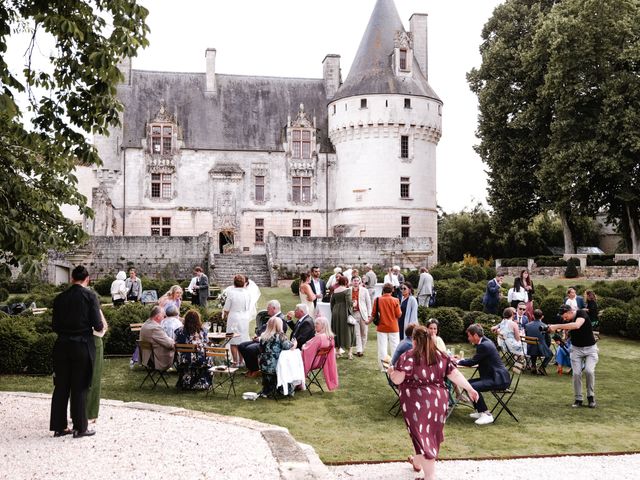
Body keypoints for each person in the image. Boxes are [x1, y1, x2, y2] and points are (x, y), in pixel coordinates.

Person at [388, 325, 479, 479]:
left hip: (416, 402)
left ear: (414, 340)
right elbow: (455, 374)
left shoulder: (408, 356)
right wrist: (470, 389)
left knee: (422, 436)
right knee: (425, 435)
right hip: (438, 401)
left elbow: (398, 379)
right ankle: (417, 463)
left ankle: (430, 476)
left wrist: (391, 373)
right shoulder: (440, 356)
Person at [50, 265, 104, 438]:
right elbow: (98, 325)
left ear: (72, 278)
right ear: (87, 279)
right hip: (81, 344)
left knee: (61, 386)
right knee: (80, 386)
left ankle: (59, 427)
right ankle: (80, 427)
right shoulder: (90, 296)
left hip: (62, 344)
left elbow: (55, 326)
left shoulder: (60, 298)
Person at [457, 324, 511, 425]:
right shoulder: (486, 342)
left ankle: (486, 414)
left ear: (476, 335)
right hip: (494, 376)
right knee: (467, 383)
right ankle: (480, 410)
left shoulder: (484, 345)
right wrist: (462, 360)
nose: (468, 339)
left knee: (472, 386)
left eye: (469, 336)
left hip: (499, 379)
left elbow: (473, 362)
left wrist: (457, 362)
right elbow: (477, 359)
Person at [547, 304, 598, 408]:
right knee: (576, 374)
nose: (563, 318)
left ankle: (591, 397)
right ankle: (578, 399)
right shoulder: (565, 320)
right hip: (576, 349)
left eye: (564, 315)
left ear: (570, 311)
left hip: (590, 349)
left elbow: (576, 325)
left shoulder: (581, 313)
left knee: (589, 371)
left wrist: (557, 326)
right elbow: (564, 333)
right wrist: (554, 334)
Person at [239, 300, 287, 377]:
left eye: (268, 308)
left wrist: (261, 338)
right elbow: (265, 329)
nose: (267, 311)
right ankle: (250, 369)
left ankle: (255, 370)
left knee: (250, 349)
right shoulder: (272, 317)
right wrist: (258, 336)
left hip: (270, 343)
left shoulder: (281, 319)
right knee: (241, 346)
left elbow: (277, 334)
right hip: (262, 339)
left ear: (274, 308)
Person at [174, 310, 211, 390]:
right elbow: (206, 343)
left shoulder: (179, 331)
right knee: (208, 357)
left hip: (182, 359)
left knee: (192, 359)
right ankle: (202, 383)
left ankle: (185, 383)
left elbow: (175, 342)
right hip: (198, 360)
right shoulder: (202, 331)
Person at [259, 316, 294, 398]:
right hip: (275, 366)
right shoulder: (280, 336)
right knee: (288, 365)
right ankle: (284, 389)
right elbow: (288, 347)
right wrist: (295, 343)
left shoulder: (263, 336)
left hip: (263, 365)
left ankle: (268, 390)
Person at [301, 315, 339, 391]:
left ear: (323, 326)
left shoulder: (320, 337)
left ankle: (295, 383)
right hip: (320, 363)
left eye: (317, 323)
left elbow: (307, 350)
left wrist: (303, 346)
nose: (315, 325)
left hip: (312, 362)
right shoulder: (330, 337)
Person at [371, 283, 402, 371]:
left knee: (382, 348)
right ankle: (395, 366)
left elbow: (373, 314)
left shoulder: (377, 300)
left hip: (382, 327)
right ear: (392, 290)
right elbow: (399, 314)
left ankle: (385, 368)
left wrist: (368, 321)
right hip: (394, 327)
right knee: (395, 347)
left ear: (383, 290)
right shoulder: (395, 300)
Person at [222, 274, 251, 367]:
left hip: (234, 317)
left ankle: (235, 362)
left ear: (234, 283)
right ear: (243, 283)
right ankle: (241, 361)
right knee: (242, 339)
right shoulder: (247, 293)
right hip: (244, 317)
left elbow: (226, 308)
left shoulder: (231, 293)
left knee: (233, 340)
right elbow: (248, 306)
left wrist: (225, 314)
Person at [86, 311, 108, 425]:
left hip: (74, 342)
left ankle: (76, 412)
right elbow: (102, 327)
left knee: (77, 378)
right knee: (94, 378)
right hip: (93, 341)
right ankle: (90, 414)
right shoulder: (91, 303)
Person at [139, 306, 175, 371]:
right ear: (158, 316)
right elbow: (169, 344)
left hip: (147, 358)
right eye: (163, 316)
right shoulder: (155, 328)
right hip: (157, 359)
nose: (164, 318)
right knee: (178, 347)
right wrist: (172, 340)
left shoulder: (145, 325)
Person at [330, 275, 355, 359]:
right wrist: (354, 304)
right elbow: (349, 303)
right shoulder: (347, 290)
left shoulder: (335, 290)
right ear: (346, 282)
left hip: (335, 311)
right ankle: (349, 353)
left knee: (336, 330)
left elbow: (332, 303)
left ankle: (337, 352)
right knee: (349, 330)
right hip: (344, 312)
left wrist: (334, 311)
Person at [524, 309, 553, 375]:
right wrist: (546, 347)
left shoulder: (527, 325)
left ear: (533, 316)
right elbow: (548, 340)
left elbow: (526, 336)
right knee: (550, 354)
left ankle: (533, 366)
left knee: (534, 348)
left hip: (529, 349)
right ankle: (542, 367)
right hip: (540, 349)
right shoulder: (545, 326)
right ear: (542, 316)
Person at [350, 276, 372, 357]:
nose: (356, 282)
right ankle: (359, 350)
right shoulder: (349, 290)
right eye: (354, 281)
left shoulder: (364, 290)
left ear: (359, 282)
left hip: (363, 314)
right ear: (352, 282)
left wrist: (369, 315)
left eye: (357, 281)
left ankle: (362, 349)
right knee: (357, 333)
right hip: (353, 314)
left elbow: (368, 303)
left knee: (364, 333)